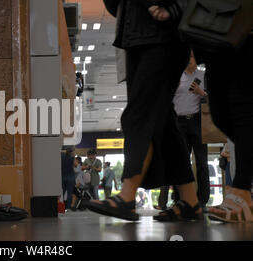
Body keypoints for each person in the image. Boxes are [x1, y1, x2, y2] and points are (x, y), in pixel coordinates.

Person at [84, 0, 203, 222]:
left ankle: (127, 196)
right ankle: (190, 201)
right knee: (164, 121)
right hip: (135, 36)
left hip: (163, 34)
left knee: (139, 114)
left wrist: (172, 7)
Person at [194, 32, 253, 222]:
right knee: (220, 115)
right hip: (214, 41)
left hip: (244, 33)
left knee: (242, 109)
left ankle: (242, 190)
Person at [173, 51, 210, 209]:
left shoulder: (203, 75)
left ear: (197, 59)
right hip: (179, 122)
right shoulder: (176, 75)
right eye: (187, 56)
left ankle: (202, 201)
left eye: (192, 56)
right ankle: (179, 200)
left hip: (198, 121)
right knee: (180, 162)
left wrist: (202, 93)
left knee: (202, 163)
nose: (189, 60)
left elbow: (213, 97)